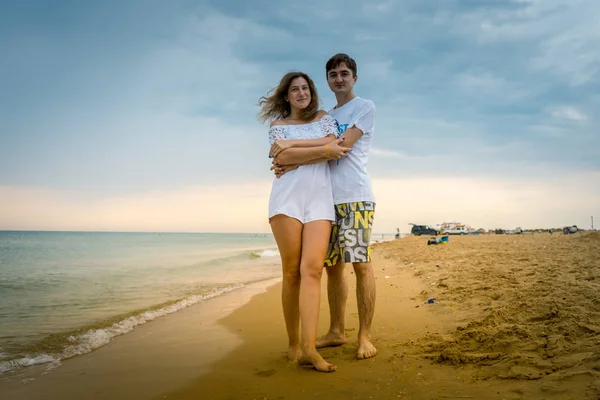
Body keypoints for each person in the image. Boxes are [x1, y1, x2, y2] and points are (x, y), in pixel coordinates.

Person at [270, 53, 378, 360]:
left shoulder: (364, 107)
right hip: (325, 200)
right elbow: (323, 150)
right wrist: (287, 158)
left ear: (354, 78)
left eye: (345, 73)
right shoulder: (326, 115)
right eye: (333, 74)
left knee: (361, 264)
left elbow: (340, 147)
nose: (339, 78)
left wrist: (290, 147)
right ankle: (336, 331)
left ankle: (365, 336)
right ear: (328, 81)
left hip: (354, 196)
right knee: (332, 268)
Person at [259, 71, 349, 373]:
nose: (301, 93)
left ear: (312, 92)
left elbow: (332, 144)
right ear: (286, 96)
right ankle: (293, 345)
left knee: (312, 269)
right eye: (295, 89)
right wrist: (323, 151)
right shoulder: (277, 126)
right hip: (287, 201)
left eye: (305, 88)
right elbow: (282, 160)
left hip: (320, 203)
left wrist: (295, 149)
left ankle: (311, 348)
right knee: (291, 272)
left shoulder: (324, 118)